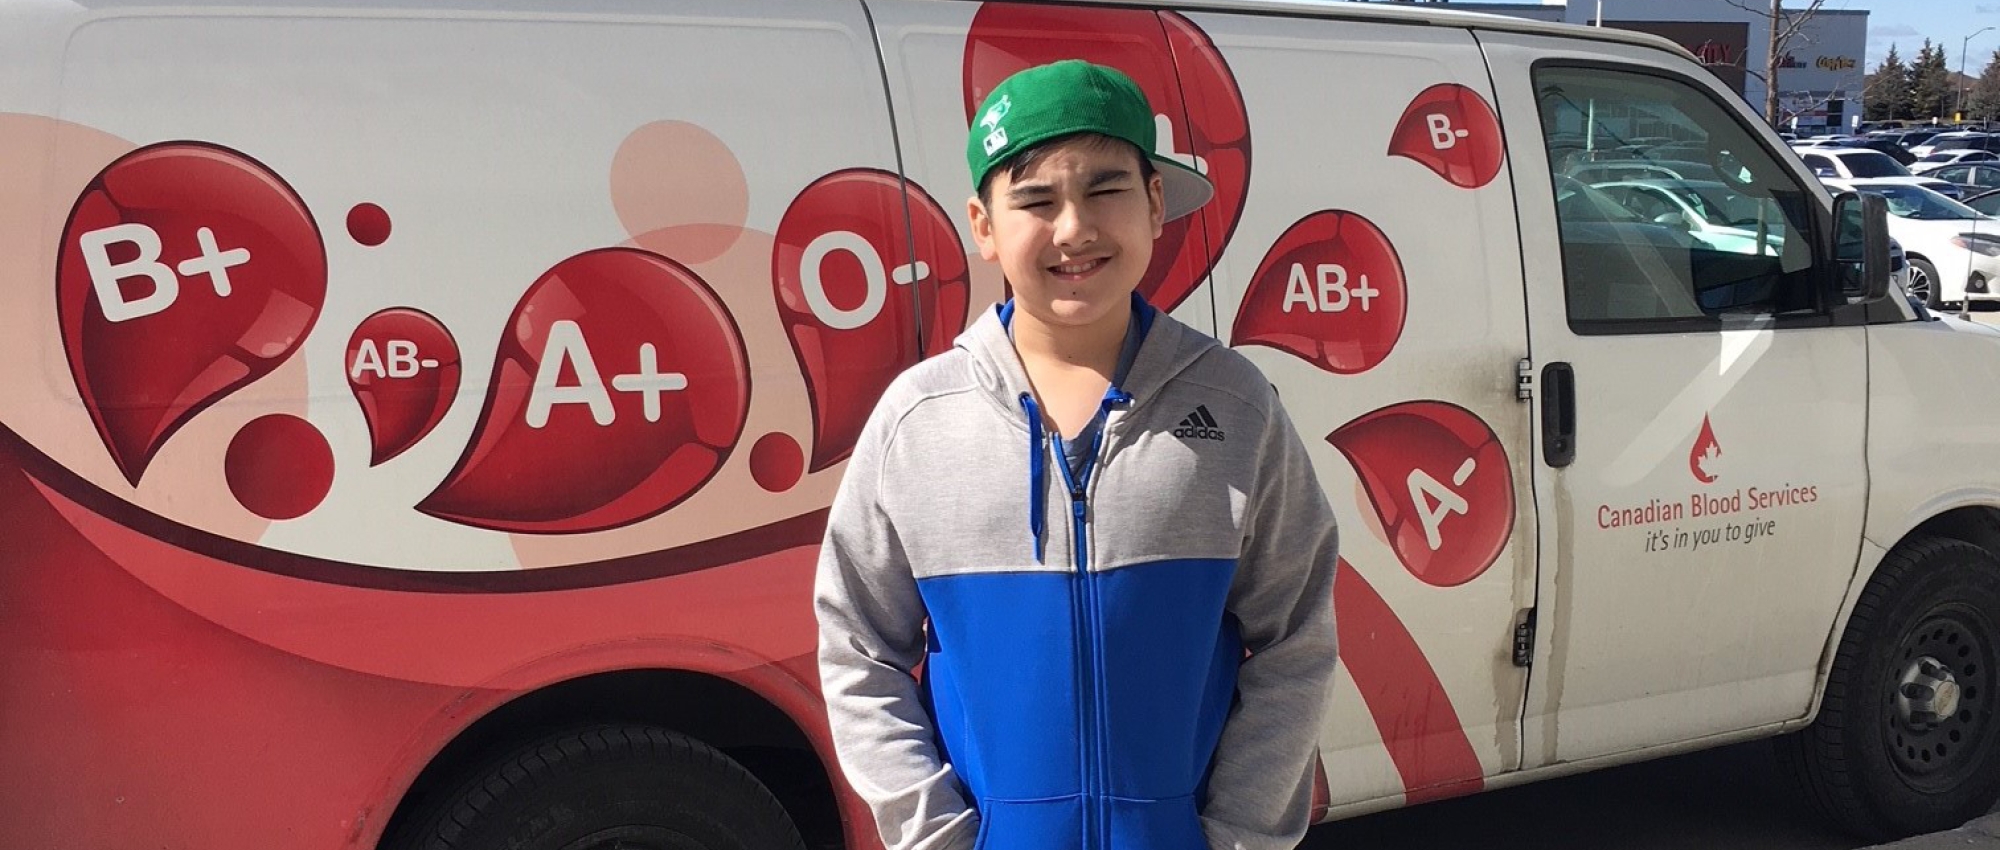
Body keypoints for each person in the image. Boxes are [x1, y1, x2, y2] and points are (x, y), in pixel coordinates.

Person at [815, 59, 1339, 850]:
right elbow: (858, 650)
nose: (1073, 229)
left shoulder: (1236, 406)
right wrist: (937, 836)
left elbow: (1296, 639)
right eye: (1034, 200)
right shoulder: (917, 422)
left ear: (1155, 201)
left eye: (1105, 190)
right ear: (983, 226)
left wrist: (1238, 835)